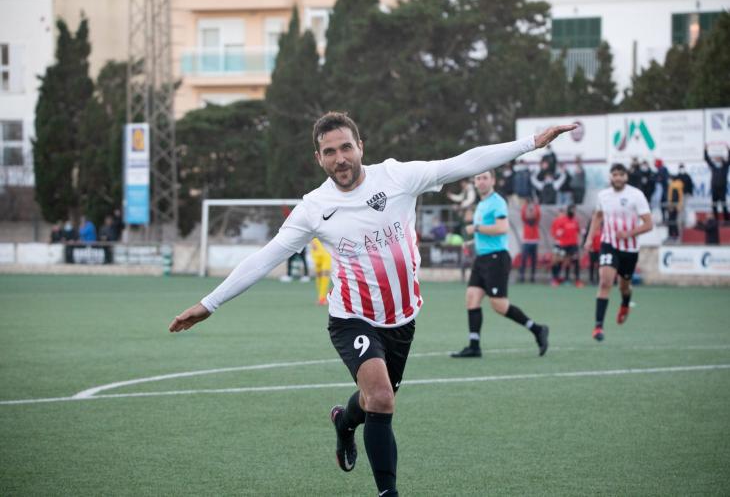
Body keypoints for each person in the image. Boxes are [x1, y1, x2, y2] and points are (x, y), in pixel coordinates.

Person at [168, 111, 574, 496]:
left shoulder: (397, 177)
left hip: (402, 319)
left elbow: (463, 162)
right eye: (329, 152)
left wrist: (530, 143)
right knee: (381, 398)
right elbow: (265, 257)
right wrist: (210, 303)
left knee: (370, 401)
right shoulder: (313, 208)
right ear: (319, 158)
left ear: (360, 146)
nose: (340, 159)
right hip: (352, 318)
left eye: (346, 147)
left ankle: (344, 423)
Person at [450, 169, 550, 359]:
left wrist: (476, 227)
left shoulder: (497, 202)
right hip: (482, 258)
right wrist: (472, 242)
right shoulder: (482, 204)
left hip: (496, 259)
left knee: (499, 305)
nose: (481, 181)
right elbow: (488, 232)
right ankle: (474, 346)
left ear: (493, 181)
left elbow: (502, 228)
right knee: (472, 297)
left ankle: (538, 329)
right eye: (478, 178)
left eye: (485, 178)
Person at [583, 163, 653, 342]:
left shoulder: (636, 195)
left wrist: (629, 233)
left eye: (621, 175)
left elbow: (648, 224)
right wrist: (589, 239)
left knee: (624, 286)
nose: (618, 178)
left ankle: (625, 304)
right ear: (610, 177)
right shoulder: (603, 195)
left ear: (626, 177)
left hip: (629, 249)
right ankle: (598, 326)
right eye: (615, 175)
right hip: (609, 244)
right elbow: (598, 216)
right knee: (605, 282)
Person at [550, 204, 583, 287]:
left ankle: (576, 280)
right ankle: (555, 279)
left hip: (573, 245)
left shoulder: (575, 220)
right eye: (572, 210)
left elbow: (578, 231)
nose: (573, 212)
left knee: (575, 261)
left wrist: (582, 233)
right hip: (563, 245)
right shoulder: (561, 220)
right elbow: (555, 233)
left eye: (574, 210)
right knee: (559, 261)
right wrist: (558, 234)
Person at [704, 144, 730, 223]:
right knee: (714, 205)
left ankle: (727, 220)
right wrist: (705, 150)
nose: (718, 160)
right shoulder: (714, 167)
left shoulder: (725, 168)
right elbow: (707, 159)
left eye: (720, 159)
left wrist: (728, 150)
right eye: (717, 159)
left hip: (722, 189)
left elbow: (729, 159)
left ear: (722, 161)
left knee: (724, 205)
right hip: (714, 189)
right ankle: (715, 220)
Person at [519, 198, 541, 283]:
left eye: (532, 212)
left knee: (534, 261)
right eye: (529, 212)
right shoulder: (525, 221)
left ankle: (532, 277)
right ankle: (522, 277)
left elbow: (538, 213)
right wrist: (526, 205)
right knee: (523, 259)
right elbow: (523, 214)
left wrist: (535, 205)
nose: (531, 214)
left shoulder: (536, 221)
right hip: (526, 242)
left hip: (534, 242)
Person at [310, 237, 332, 305]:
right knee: (319, 277)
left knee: (325, 276)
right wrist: (312, 242)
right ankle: (321, 296)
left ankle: (322, 298)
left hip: (326, 253)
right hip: (316, 252)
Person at [666, 175, 684, 241]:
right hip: (676, 206)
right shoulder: (677, 185)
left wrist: (671, 206)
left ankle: (672, 235)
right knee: (673, 220)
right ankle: (674, 235)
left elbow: (674, 197)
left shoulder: (674, 186)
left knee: (672, 221)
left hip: (674, 206)